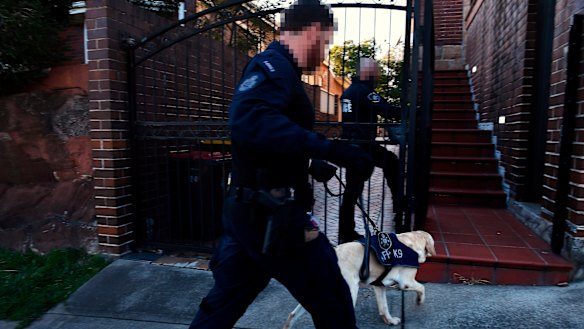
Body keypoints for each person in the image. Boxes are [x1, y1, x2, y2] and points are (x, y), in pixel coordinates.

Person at [189, 1, 374, 328]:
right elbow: (250, 122)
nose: (325, 50)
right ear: (314, 30)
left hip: (252, 213)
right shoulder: (272, 66)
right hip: (273, 217)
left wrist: (310, 161)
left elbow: (272, 138)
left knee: (221, 307)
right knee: (332, 299)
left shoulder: (284, 71)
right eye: (327, 41)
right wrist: (332, 150)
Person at [338, 57, 401, 244]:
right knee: (390, 164)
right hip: (362, 144)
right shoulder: (364, 92)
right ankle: (400, 210)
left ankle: (345, 231)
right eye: (376, 69)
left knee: (352, 190)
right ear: (367, 72)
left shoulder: (350, 90)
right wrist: (410, 110)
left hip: (353, 144)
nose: (379, 73)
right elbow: (386, 110)